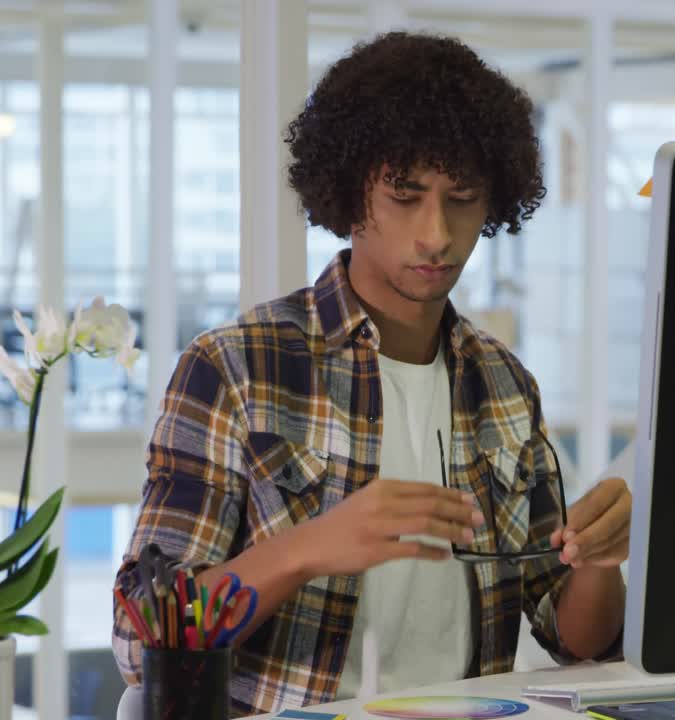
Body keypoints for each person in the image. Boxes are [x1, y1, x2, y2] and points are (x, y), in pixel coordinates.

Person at [111, 32, 630, 716]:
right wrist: (307, 549)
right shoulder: (236, 367)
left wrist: (600, 559)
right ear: (351, 193)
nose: (437, 234)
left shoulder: (504, 383)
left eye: (463, 198)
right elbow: (142, 639)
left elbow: (575, 642)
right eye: (405, 197)